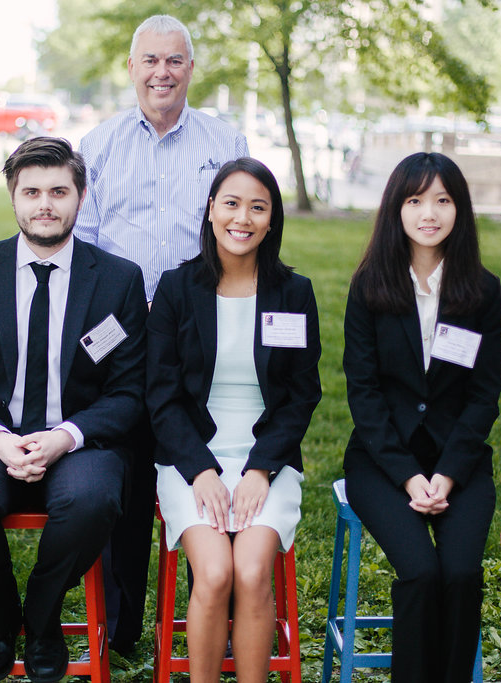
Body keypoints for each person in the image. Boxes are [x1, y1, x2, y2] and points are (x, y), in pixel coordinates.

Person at [0, 137, 147, 683]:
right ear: (12, 196)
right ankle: (1, 619)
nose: (44, 203)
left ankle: (44, 617)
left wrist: (66, 436)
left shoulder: (119, 280)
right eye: (32, 191)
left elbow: (128, 392)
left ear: (79, 196)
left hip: (80, 440)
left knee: (94, 499)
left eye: (58, 191)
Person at [75, 14, 249, 651]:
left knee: (212, 462)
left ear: (190, 69)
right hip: (117, 338)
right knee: (122, 474)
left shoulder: (224, 141)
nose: (162, 73)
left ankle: (229, 615)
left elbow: (242, 235)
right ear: (131, 68)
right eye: (150, 60)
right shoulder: (96, 146)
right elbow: (85, 250)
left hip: (200, 332)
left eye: (174, 61)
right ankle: (119, 629)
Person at [146, 157, 321, 682]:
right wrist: (200, 470)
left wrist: (260, 469)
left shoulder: (294, 293)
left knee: (249, 572)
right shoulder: (177, 290)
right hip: (190, 459)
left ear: (271, 220)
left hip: (266, 460)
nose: (242, 217)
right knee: (217, 572)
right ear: (211, 209)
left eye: (257, 207)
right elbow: (161, 396)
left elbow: (301, 396)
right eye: (231, 203)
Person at [342, 152, 501, 682]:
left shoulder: (482, 291)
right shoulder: (369, 286)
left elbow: (484, 396)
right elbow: (363, 395)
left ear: (460, 209)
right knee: (420, 573)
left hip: (459, 462)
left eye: (442, 199)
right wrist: (410, 475)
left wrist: (447, 474)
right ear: (397, 208)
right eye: (415, 200)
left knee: (459, 574)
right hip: (383, 460)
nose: (428, 213)